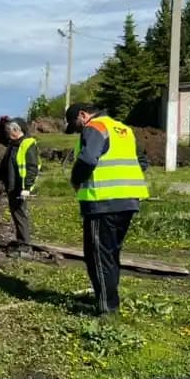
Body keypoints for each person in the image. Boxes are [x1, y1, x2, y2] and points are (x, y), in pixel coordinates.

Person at [65, 103, 149, 316]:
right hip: (128, 201)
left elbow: (87, 159)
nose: (77, 131)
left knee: (98, 256)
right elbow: (142, 162)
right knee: (110, 254)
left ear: (83, 115)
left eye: (75, 125)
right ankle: (109, 299)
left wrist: (75, 180)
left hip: (102, 202)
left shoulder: (95, 127)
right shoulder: (123, 129)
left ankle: (107, 308)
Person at [0, 117, 39, 246]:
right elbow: (1, 138)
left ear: (17, 130)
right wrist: (2, 124)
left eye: (9, 131)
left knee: (20, 214)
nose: (8, 134)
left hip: (20, 186)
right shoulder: (13, 143)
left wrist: (27, 188)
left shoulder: (27, 144)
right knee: (16, 213)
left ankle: (24, 244)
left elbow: (32, 167)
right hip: (12, 184)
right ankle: (22, 241)